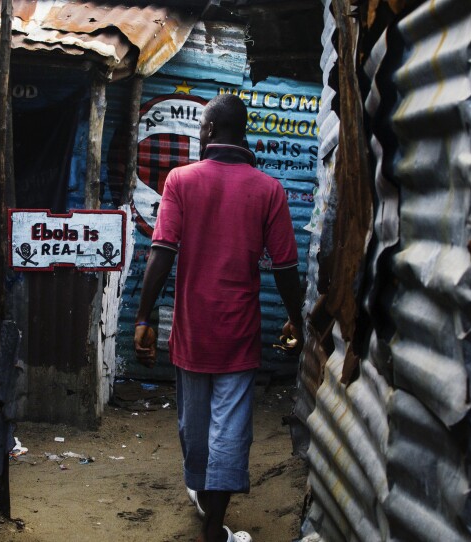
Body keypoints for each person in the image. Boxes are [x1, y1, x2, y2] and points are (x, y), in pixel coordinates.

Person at [133, 93, 304, 542]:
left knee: (194, 428)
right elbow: (286, 266)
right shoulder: (269, 189)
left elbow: (162, 251)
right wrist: (296, 319)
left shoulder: (181, 180)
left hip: (193, 331)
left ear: (208, 131)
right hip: (239, 332)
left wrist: (143, 317)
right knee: (230, 429)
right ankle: (213, 523)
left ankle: (209, 512)